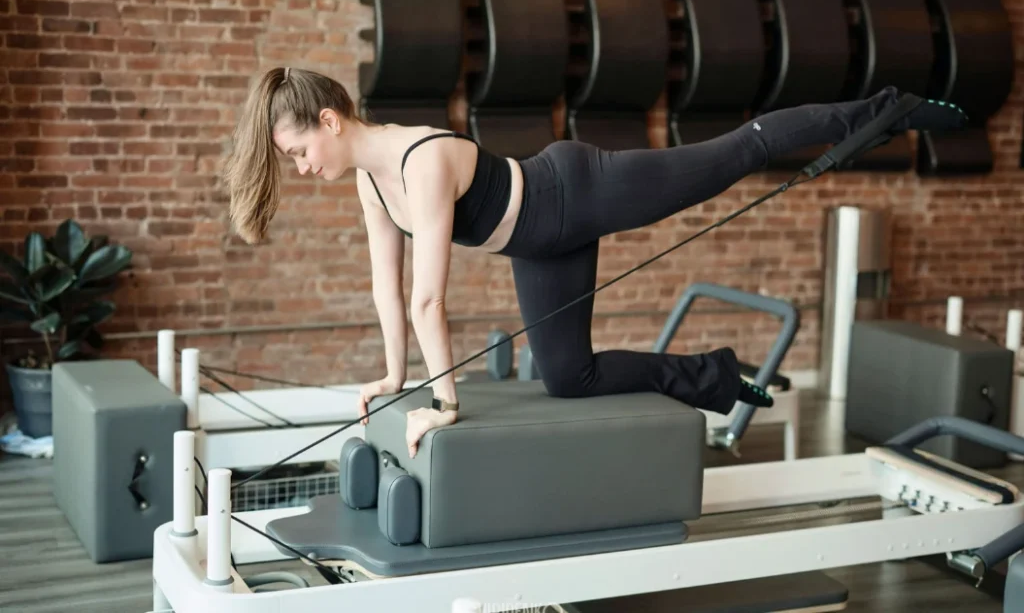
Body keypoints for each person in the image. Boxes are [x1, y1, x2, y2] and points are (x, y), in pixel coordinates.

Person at [222, 66, 967, 458]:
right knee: (566, 379)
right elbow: (386, 290)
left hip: (576, 189)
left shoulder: (418, 160)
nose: (301, 167)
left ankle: (888, 108)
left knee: (736, 153)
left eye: (297, 152)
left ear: (329, 120)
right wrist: (392, 377)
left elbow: (427, 301)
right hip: (541, 243)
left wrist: (444, 405)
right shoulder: (369, 184)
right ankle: (714, 376)